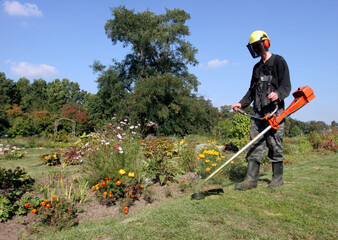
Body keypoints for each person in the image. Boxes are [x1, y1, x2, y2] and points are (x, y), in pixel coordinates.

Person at [231, 30, 291, 190]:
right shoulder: (256, 67)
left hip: (274, 112)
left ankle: (278, 179)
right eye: (254, 47)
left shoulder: (279, 61)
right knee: (255, 144)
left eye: (258, 46)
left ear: (266, 43)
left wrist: (277, 94)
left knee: (274, 144)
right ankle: (251, 180)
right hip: (257, 112)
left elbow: (286, 86)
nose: (257, 50)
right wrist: (241, 103)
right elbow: (251, 90)